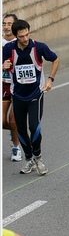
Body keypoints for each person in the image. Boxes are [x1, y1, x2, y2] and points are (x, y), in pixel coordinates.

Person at [2, 19, 59, 176]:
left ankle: (38, 158)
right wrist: (3, 66)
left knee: (34, 127)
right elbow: (3, 65)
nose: (25, 38)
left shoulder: (39, 47)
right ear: (16, 36)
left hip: (35, 94)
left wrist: (50, 79)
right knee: (20, 129)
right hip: (18, 94)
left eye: (27, 34)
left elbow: (55, 59)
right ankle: (29, 159)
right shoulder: (8, 48)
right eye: (21, 36)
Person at [2, 13, 22, 162]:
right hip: (3, 84)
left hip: (17, 85)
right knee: (3, 122)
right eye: (4, 24)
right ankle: (15, 132)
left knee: (13, 120)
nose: (6, 27)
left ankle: (16, 147)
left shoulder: (21, 42)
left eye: (9, 24)